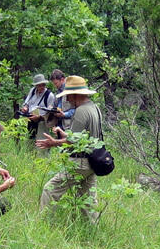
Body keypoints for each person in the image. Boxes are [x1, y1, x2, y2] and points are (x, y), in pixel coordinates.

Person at [36, 75, 103, 223]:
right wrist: (64, 134)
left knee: (50, 189)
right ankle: (93, 229)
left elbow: (73, 142)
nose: (67, 99)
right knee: (88, 200)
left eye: (68, 96)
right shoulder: (94, 108)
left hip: (80, 162)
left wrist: (54, 142)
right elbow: (84, 136)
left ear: (75, 94)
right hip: (93, 160)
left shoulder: (80, 112)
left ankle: (43, 223)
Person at [20, 74, 55, 140]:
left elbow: (50, 113)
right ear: (36, 86)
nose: (42, 87)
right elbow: (27, 102)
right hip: (30, 120)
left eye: (43, 85)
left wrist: (39, 117)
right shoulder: (32, 91)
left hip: (42, 122)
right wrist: (25, 108)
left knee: (41, 142)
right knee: (30, 141)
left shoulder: (49, 95)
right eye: (39, 85)